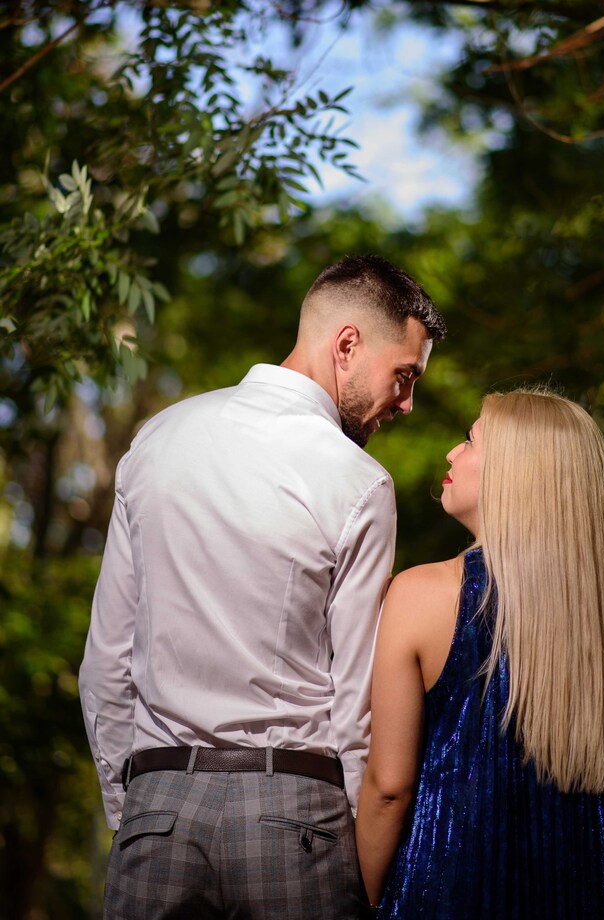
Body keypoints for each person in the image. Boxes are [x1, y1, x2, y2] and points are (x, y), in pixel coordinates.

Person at [78, 254, 446, 920]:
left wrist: (132, 811)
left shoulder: (157, 440)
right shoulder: (358, 483)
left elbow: (105, 664)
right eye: (403, 376)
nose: (407, 403)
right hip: (295, 821)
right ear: (346, 345)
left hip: (157, 804)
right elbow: (353, 703)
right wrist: (359, 874)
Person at [356, 388, 604, 919]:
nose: (452, 453)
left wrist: (371, 898)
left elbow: (388, 788)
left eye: (471, 440)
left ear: (516, 474)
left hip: (444, 897)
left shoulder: (422, 594)